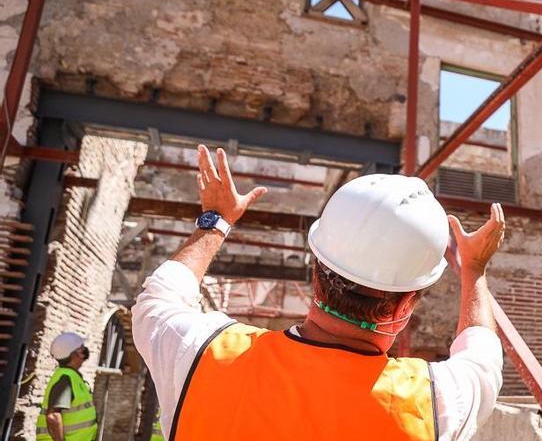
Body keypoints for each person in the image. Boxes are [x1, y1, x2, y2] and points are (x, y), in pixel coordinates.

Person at [132, 145, 505, 440]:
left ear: (315, 271)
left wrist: (216, 220)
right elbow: (482, 357)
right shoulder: (431, 402)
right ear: (406, 303)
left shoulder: (202, 353)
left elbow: (158, 298)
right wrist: (474, 271)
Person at [36, 332, 97, 441]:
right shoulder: (66, 379)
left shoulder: (72, 376)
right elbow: (53, 416)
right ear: (73, 354)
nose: (84, 350)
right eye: (81, 347)